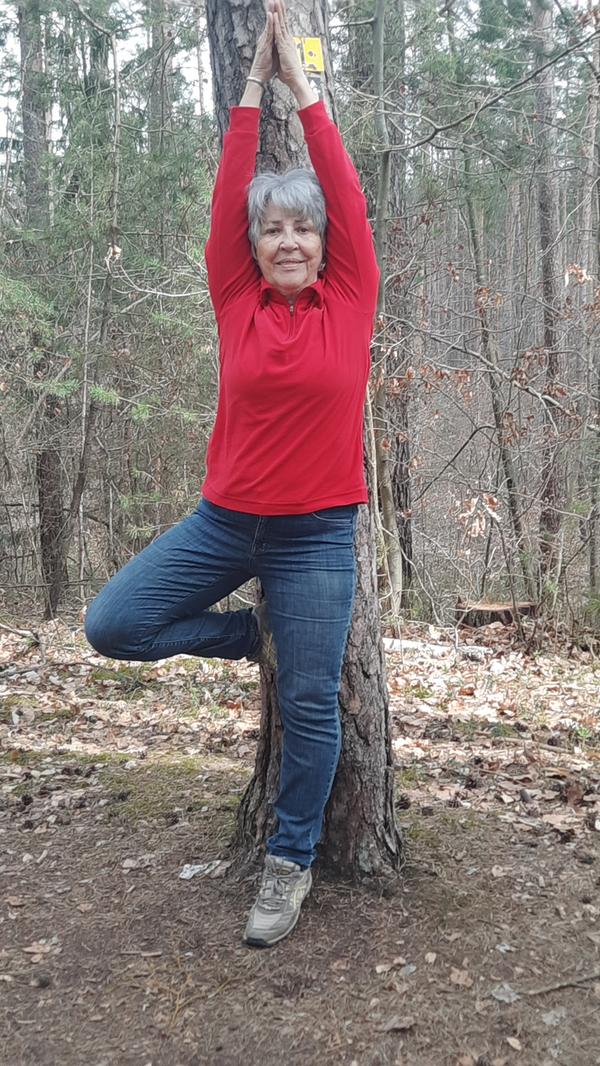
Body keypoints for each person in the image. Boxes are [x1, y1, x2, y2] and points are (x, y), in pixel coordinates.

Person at [85, 0, 379, 948]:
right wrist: (252, 88)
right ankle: (251, 636)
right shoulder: (234, 298)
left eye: (302, 230)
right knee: (115, 623)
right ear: (252, 249)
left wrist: (309, 90)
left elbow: (343, 187)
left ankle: (288, 864)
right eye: (272, 232)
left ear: (323, 243)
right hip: (225, 523)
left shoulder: (351, 294)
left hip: (318, 533)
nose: (288, 241)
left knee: (310, 702)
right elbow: (227, 190)